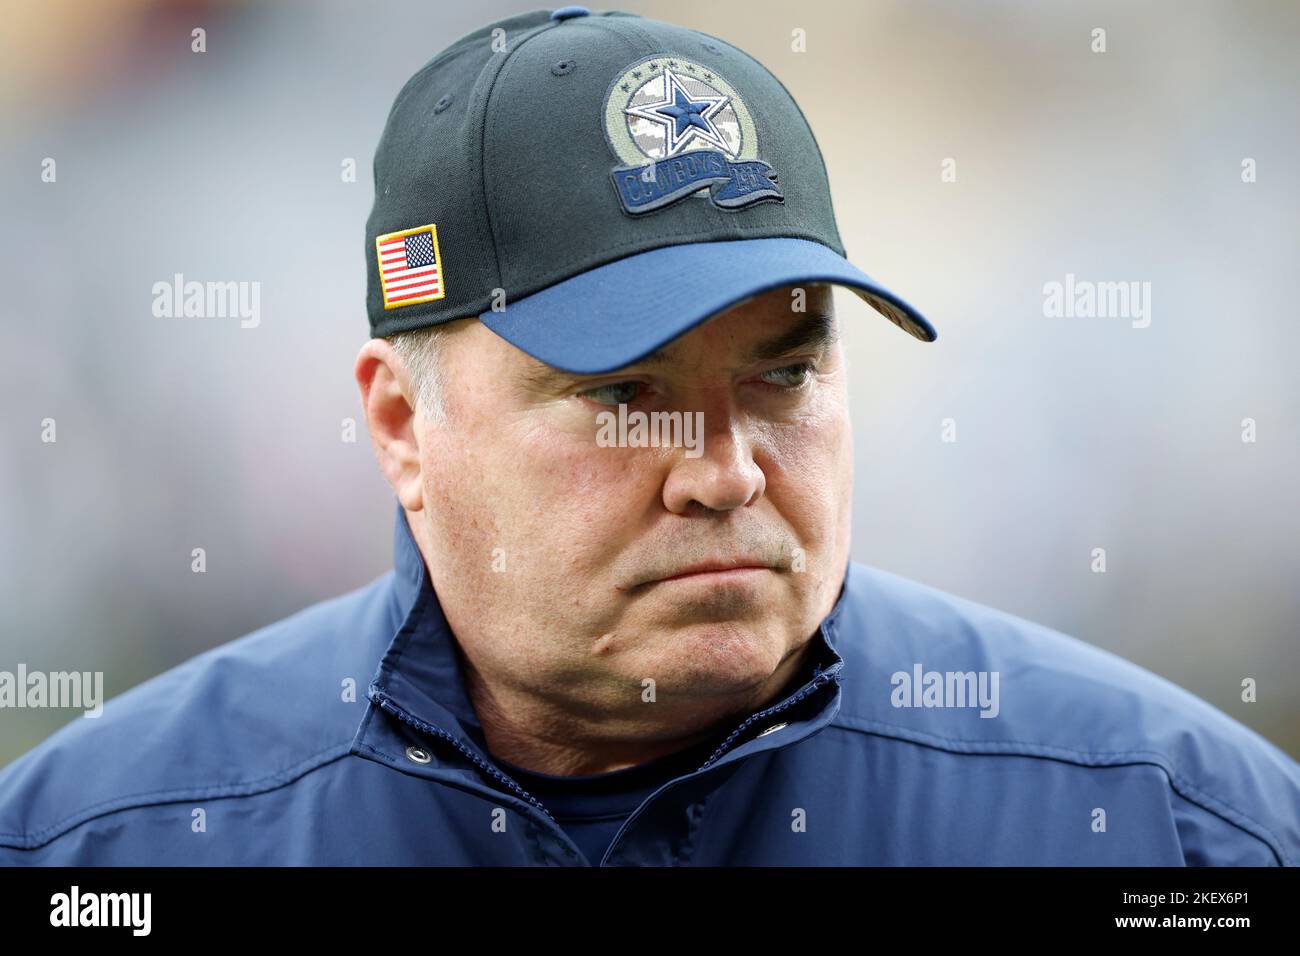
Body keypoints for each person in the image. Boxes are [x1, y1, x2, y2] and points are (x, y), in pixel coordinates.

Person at [1, 7, 1297, 866]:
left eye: (785, 377)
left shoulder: (1170, 832)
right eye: (624, 395)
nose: (727, 471)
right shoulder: (104, 846)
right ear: (403, 424)